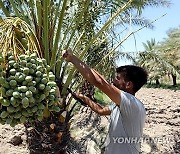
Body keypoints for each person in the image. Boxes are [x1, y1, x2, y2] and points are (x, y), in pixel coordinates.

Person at [62, 49, 148, 154]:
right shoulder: (121, 105)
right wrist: (83, 97)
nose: (113, 81)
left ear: (128, 84)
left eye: (117, 78)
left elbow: (99, 82)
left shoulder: (131, 103)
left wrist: (73, 58)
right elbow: (101, 110)